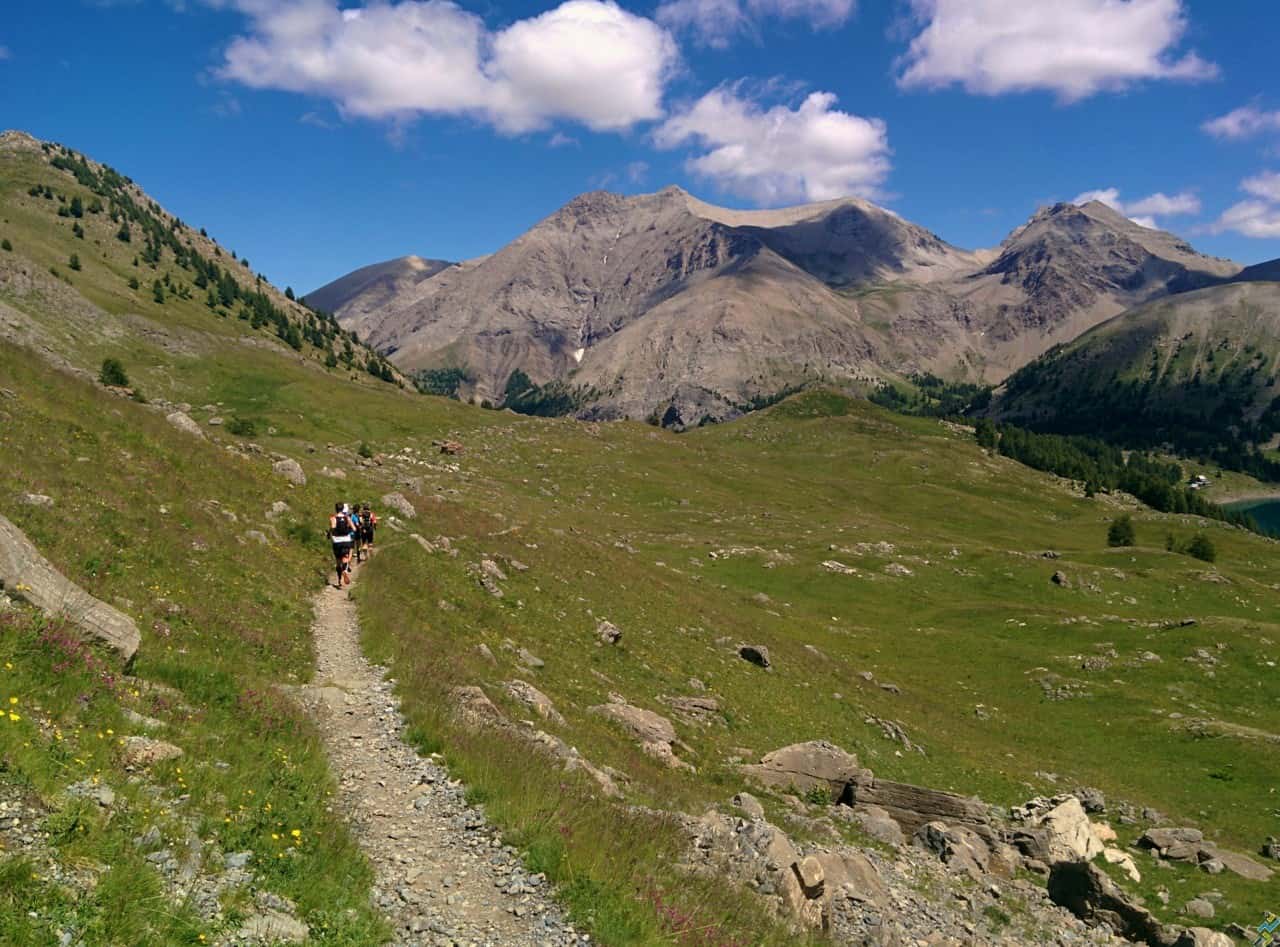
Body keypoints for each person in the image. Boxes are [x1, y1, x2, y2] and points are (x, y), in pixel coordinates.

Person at [328, 502, 355, 587]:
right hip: (346, 540)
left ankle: (339, 579)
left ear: (336, 509)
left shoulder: (333, 518)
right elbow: (354, 528)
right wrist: (348, 531)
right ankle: (345, 571)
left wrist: (329, 534)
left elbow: (333, 527)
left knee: (338, 561)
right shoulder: (347, 518)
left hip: (337, 541)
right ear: (343, 508)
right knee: (345, 558)